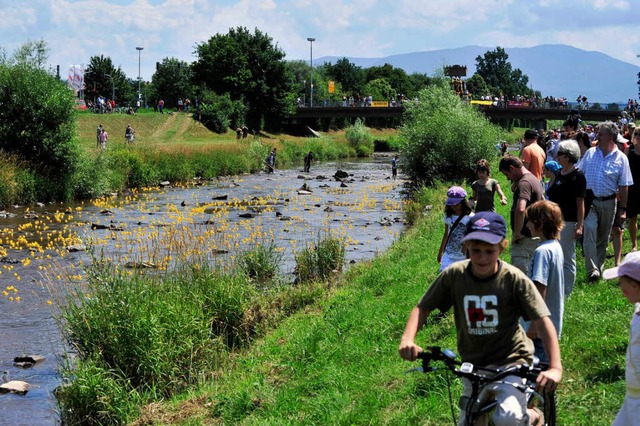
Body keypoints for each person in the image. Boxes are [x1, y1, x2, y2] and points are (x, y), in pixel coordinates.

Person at [399, 211, 562, 426]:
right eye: (475, 250)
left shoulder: (513, 279)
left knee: (508, 418)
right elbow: (422, 308)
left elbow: (543, 321)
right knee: (470, 420)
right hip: (474, 363)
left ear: (502, 247)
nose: (482, 258)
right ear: (465, 246)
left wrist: (555, 367)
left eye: (489, 251)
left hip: (512, 361)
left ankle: (533, 416)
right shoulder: (455, 275)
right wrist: (407, 339)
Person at [577, 121, 634, 281]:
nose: (597, 137)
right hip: (590, 201)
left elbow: (624, 186)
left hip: (609, 202)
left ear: (610, 137)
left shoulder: (621, 159)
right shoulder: (590, 153)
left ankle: (599, 268)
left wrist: (623, 209)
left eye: (600, 134)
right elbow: (580, 174)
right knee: (588, 230)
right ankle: (592, 270)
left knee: (602, 239)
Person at [602, 251, 640, 426]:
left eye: (621, 281)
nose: (620, 288)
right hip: (633, 393)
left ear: (636, 286)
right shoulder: (638, 309)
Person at [524, 200, 565, 363]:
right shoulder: (555, 246)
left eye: (529, 221)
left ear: (539, 224)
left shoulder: (542, 252)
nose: (527, 225)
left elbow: (539, 288)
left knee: (536, 379)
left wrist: (534, 325)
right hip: (551, 325)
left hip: (540, 330)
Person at [547, 140, 586, 296]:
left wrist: (580, 225)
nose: (557, 156)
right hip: (555, 221)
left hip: (569, 222)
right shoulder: (559, 174)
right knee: (556, 256)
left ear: (568, 157)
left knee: (568, 258)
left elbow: (580, 203)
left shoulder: (578, 176)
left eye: (560, 154)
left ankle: (567, 292)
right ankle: (557, 287)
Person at [499, 155, 544, 274]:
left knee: (520, 278)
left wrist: (517, 234)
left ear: (512, 168)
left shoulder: (524, 183)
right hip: (534, 235)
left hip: (524, 239)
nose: (508, 178)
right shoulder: (533, 178)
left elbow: (520, 209)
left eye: (506, 174)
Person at [437, 186, 473, 271]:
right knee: (445, 276)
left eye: (456, 204)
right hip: (449, 253)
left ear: (463, 203)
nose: (454, 206)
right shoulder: (448, 217)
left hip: (463, 255)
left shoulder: (470, 217)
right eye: (451, 204)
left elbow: (473, 235)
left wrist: (466, 244)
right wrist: (440, 252)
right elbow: (446, 234)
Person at [625, 127, 640, 252]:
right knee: (632, 217)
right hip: (632, 188)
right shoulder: (628, 149)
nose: (638, 136)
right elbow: (623, 167)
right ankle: (634, 244)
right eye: (636, 134)